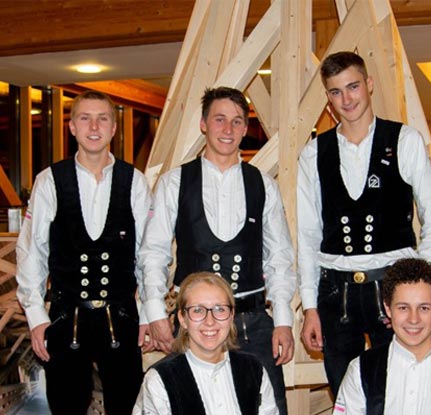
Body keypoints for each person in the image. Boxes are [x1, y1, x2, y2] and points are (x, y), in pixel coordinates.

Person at [297, 51, 431, 395]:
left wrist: (420, 286)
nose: (347, 99)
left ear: (369, 84)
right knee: (344, 393)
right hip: (334, 291)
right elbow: (307, 236)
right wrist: (310, 306)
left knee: (397, 391)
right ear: (328, 97)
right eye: (336, 92)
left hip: (392, 286)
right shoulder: (313, 153)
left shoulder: (404, 140)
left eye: (353, 87)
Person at [139, 86, 296, 414]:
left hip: (253, 322)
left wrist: (283, 320)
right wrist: (155, 313)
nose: (228, 129)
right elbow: (153, 253)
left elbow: (279, 258)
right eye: (219, 119)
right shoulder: (174, 182)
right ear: (203, 124)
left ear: (245, 128)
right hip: (194, 322)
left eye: (237, 121)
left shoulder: (264, 185)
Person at [16, 90, 152, 415]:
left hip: (122, 317)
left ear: (114, 128)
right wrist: (36, 317)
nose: (94, 126)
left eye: (102, 118)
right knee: (66, 407)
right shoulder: (49, 180)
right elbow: (32, 252)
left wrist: (148, 314)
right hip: (65, 318)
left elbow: (148, 254)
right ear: (72, 126)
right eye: (85, 118)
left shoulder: (134, 181)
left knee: (128, 408)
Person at [333, 258, 431, 415]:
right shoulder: (360, 370)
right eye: (403, 308)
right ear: (388, 308)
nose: (413, 319)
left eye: (424, 308)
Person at [133, 272, 278, 414]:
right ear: (182, 319)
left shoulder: (254, 370)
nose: (210, 321)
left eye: (219, 309)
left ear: (231, 315)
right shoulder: (159, 380)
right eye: (198, 310)